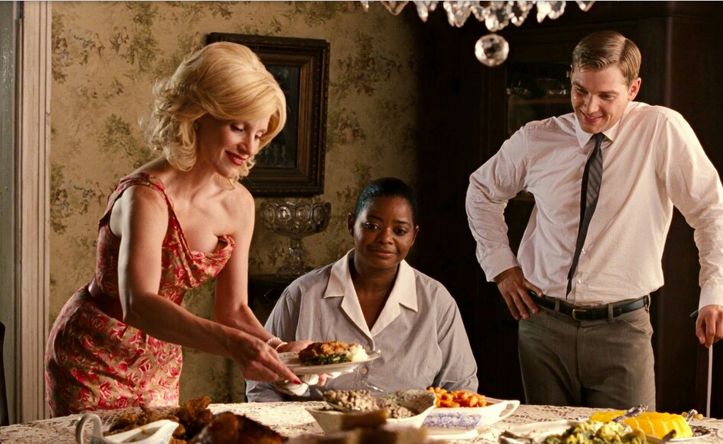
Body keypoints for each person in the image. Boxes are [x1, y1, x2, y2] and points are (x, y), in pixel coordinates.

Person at [466, 30, 723, 409]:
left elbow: (711, 211)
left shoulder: (662, 130)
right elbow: (481, 191)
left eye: (606, 96)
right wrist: (501, 267)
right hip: (542, 326)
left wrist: (718, 293)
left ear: (634, 88)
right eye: (580, 91)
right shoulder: (536, 138)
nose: (590, 107)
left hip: (622, 331)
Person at [45, 42, 306, 416]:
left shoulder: (239, 204)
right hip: (92, 355)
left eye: (260, 134)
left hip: (160, 358)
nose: (250, 147)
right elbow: (139, 304)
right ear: (199, 116)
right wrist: (235, 346)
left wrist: (279, 351)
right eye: (238, 127)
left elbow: (233, 309)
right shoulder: (145, 197)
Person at [247, 177, 478, 401]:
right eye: (372, 226)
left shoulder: (437, 301)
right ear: (351, 224)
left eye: (399, 231)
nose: (385, 238)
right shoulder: (303, 293)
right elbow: (262, 385)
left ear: (414, 236)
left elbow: (460, 387)